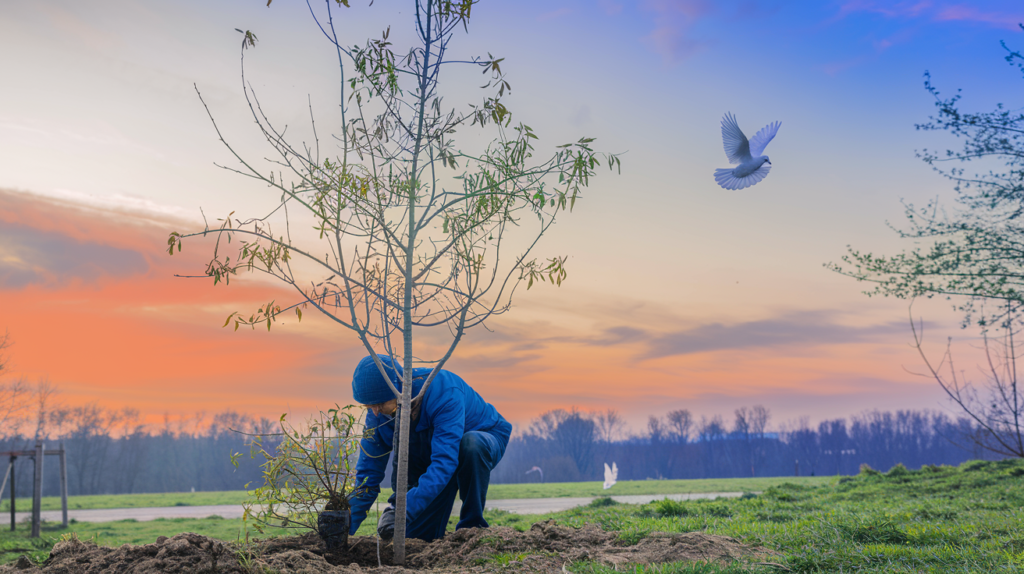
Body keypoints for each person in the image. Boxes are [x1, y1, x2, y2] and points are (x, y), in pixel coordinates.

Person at [347, 354, 512, 542]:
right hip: (434, 446)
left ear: (398, 389)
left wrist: (402, 510)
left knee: (470, 445)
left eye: (379, 404)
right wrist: (346, 520)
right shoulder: (378, 415)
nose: (375, 411)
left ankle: (471, 528)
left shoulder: (443, 392)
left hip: (482, 436)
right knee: (414, 538)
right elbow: (368, 473)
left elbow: (444, 463)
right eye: (369, 406)